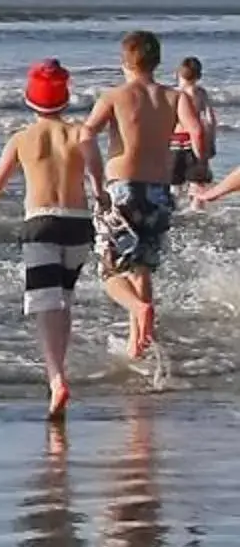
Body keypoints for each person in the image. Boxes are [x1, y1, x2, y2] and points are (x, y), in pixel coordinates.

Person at [0, 60, 100, 420]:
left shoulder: (22, 139)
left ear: (30, 100)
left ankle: (56, 378)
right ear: (66, 98)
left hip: (39, 222)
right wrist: (103, 199)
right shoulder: (81, 134)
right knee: (64, 300)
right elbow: (97, 176)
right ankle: (60, 371)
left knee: (45, 305)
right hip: (77, 224)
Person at [83, 31, 201, 361]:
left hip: (122, 185)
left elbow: (85, 134)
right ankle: (139, 342)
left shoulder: (114, 96)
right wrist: (201, 159)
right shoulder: (174, 97)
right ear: (158, 61)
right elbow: (196, 131)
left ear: (124, 61)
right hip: (158, 190)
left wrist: (94, 179)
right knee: (142, 268)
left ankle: (138, 309)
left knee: (110, 270)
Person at [171, 57, 215, 192]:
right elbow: (210, 119)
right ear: (199, 76)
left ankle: (175, 210)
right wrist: (210, 141)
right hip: (196, 141)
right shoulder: (201, 93)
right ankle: (197, 209)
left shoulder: (174, 93)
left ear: (178, 74)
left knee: (174, 183)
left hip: (175, 141)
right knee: (198, 182)